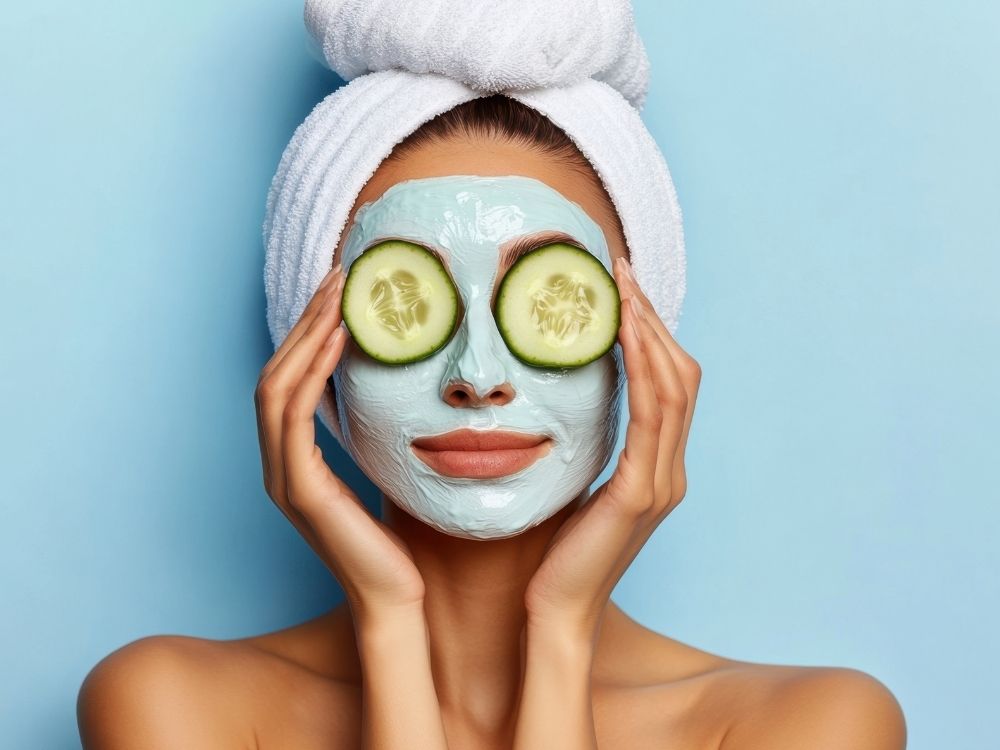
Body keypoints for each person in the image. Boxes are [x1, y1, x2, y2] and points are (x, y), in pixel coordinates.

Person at [76, 93, 906, 749]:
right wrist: (390, 621)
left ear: (640, 352)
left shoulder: (812, 727)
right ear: (314, 359)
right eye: (401, 302)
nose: (477, 377)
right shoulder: (171, 706)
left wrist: (562, 630)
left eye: (552, 305)